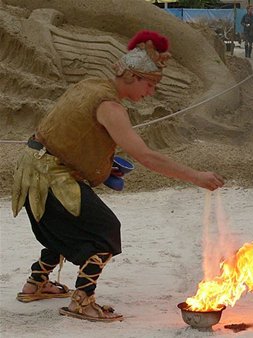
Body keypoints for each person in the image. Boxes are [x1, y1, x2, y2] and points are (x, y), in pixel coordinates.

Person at [12, 30, 225, 322]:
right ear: (132, 77)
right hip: (49, 177)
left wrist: (100, 164)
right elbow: (146, 156)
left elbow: (71, 133)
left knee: (67, 225)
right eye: (149, 84)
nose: (150, 92)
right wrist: (195, 176)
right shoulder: (110, 106)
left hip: (35, 167)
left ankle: (36, 283)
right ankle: (82, 300)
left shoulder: (90, 86)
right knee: (104, 230)